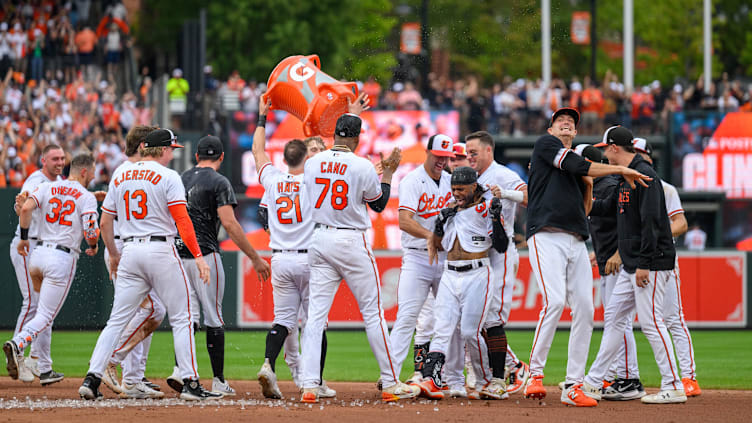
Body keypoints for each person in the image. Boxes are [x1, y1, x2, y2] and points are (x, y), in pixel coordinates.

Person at [79, 128, 222, 401]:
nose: (172, 153)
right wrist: (199, 257)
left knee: (116, 321)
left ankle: (92, 378)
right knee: (182, 317)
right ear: (163, 150)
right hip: (160, 250)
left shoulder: (121, 173)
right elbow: (182, 220)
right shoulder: (168, 176)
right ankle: (191, 382)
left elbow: (105, 222)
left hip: (130, 249)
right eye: (171, 149)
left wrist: (114, 254)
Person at [523, 108, 650, 407]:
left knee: (585, 310)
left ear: (576, 133)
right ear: (551, 128)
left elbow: (587, 209)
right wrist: (619, 169)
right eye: (560, 121)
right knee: (554, 302)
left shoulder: (578, 168)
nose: (566, 124)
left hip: (576, 239)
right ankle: (535, 375)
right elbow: (579, 165)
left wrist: (589, 182)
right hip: (546, 235)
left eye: (571, 123)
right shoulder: (546, 146)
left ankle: (573, 384)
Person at [299, 112, 418, 403]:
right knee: (373, 313)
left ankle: (310, 385)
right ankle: (390, 383)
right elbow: (377, 205)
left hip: (319, 237)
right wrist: (388, 173)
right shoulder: (362, 164)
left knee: (315, 316)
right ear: (356, 136)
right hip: (350, 239)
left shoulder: (312, 162)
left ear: (335, 134)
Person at [582, 126, 686, 404]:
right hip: (633, 264)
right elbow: (605, 209)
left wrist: (644, 263)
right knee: (614, 318)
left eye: (605, 148)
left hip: (649, 264)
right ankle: (592, 382)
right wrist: (585, 192)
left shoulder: (645, 175)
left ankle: (674, 384)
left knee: (652, 323)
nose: (603, 152)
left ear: (615, 148)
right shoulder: (625, 178)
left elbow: (652, 222)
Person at [170, 135, 271, 397]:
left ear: (196, 156)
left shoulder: (181, 178)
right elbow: (229, 223)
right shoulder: (219, 181)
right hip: (206, 254)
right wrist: (254, 257)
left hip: (180, 254)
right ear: (222, 157)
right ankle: (218, 380)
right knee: (213, 317)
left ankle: (180, 371)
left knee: (188, 318)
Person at [252, 97, 338, 400]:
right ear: (306, 156)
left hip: (280, 259)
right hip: (310, 260)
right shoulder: (315, 182)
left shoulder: (273, 179)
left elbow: (258, 151)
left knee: (283, 322)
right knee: (316, 322)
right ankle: (316, 382)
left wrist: (262, 118)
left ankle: (267, 363)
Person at [4, 154, 99, 387]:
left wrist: (24, 238)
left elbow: (25, 208)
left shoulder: (49, 187)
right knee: (46, 315)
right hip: (61, 258)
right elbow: (90, 232)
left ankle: (44, 367)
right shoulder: (86, 197)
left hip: (38, 255)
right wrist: (94, 245)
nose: (95, 175)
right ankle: (18, 344)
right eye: (93, 171)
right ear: (84, 171)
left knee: (42, 313)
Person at [415, 166, 509, 400]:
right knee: (442, 329)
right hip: (449, 273)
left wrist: (496, 218)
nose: (456, 193)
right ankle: (431, 378)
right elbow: (437, 246)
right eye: (453, 188)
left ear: (474, 186)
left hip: (477, 273)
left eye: (461, 189)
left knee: (470, 332)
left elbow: (501, 245)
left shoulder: (487, 207)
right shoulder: (450, 211)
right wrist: (439, 224)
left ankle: (487, 381)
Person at [389, 134, 461, 395]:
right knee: (407, 316)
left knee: (450, 318)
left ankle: (447, 377)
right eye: (439, 155)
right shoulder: (412, 180)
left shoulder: (451, 182)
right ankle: (390, 377)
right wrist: (431, 236)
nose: (442, 160)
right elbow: (404, 220)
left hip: (445, 258)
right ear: (428, 152)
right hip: (418, 256)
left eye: (446, 157)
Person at [100, 125, 167, 399]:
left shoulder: (123, 171)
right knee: (148, 311)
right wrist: (114, 253)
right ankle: (111, 364)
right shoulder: (134, 171)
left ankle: (133, 376)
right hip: (126, 246)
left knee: (143, 313)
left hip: (125, 246)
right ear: (143, 146)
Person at [634, 138, 701, 397]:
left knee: (673, 318)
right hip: (638, 260)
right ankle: (618, 378)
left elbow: (681, 223)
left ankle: (688, 378)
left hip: (663, 258)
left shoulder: (665, 188)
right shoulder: (625, 187)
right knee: (627, 319)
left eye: (640, 153)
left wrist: (657, 237)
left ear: (648, 158)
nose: (637, 157)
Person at [577, 142, 644, 400]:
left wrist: (617, 252)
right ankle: (616, 376)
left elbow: (625, 224)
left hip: (619, 262)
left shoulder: (610, 185)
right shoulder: (599, 186)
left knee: (620, 322)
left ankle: (629, 378)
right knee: (615, 321)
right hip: (607, 260)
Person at [465, 130, 530, 396]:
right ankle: (503, 367)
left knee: (492, 317)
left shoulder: (502, 174)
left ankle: (513, 367)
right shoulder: (472, 177)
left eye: (473, 152)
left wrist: (505, 193)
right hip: (478, 255)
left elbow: (529, 197)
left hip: (500, 255)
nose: (469, 157)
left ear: (488, 150)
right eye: (467, 153)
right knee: (474, 317)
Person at [8, 144, 65, 384]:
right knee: (32, 303)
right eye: (55, 158)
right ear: (44, 160)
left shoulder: (59, 181)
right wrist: (21, 205)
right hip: (27, 244)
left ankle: (42, 364)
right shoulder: (36, 179)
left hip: (42, 247)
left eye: (62, 158)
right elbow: (22, 205)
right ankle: (17, 354)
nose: (59, 162)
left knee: (44, 308)